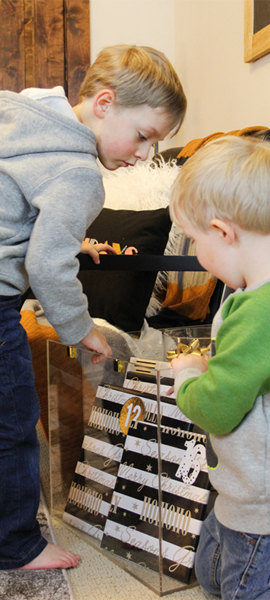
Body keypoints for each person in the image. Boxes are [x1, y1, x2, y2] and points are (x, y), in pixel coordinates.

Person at [0, 44, 186, 571]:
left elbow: (17, 198)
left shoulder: (21, 114)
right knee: (13, 425)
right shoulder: (80, 173)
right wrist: (78, 327)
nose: (144, 155)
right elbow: (46, 267)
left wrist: (72, 239)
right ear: (104, 103)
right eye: (145, 137)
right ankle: (17, 546)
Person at [169, 135, 270, 600]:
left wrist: (187, 374)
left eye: (195, 240)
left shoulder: (264, 312)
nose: (199, 256)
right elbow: (253, 369)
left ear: (223, 232)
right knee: (210, 574)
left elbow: (216, 409)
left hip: (266, 512)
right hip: (248, 495)